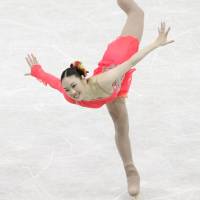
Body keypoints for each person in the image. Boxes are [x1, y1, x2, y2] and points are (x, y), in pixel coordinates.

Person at [25, 0, 174, 199]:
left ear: (84, 80)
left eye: (74, 86)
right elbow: (53, 81)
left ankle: (131, 171)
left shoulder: (104, 80)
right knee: (121, 126)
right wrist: (37, 71)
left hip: (120, 56)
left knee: (136, 12)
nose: (72, 92)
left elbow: (131, 61)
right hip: (112, 91)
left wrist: (156, 43)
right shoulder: (69, 94)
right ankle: (131, 171)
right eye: (68, 89)